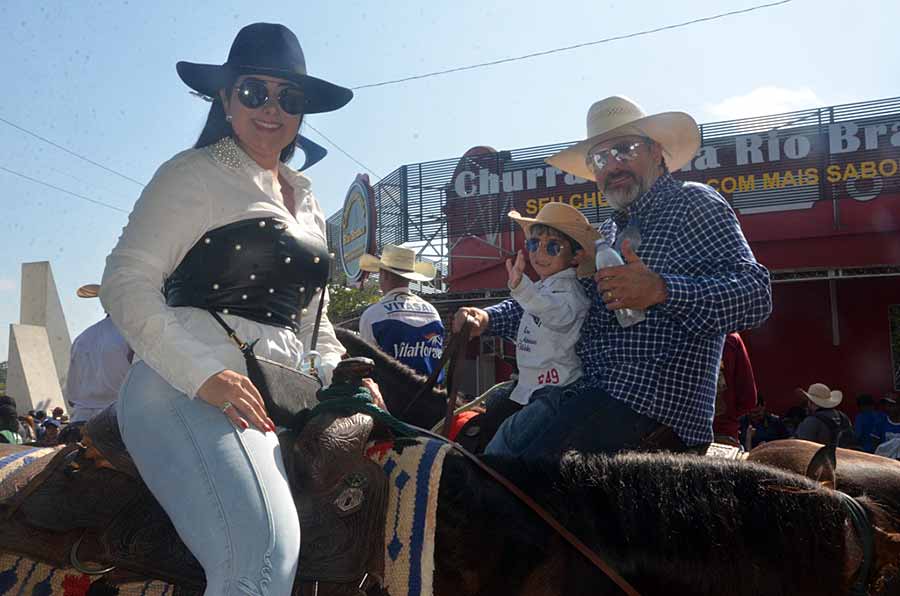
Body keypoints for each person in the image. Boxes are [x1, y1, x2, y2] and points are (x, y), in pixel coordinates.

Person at [99, 23, 359, 595]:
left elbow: (314, 323)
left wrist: (342, 380)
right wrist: (204, 375)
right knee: (262, 554)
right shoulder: (192, 173)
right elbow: (124, 281)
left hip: (276, 397)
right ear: (225, 98)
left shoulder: (308, 199)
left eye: (289, 97)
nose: (272, 108)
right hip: (182, 388)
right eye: (254, 91)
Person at [454, 96, 772, 458]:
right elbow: (558, 299)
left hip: (651, 407)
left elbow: (756, 296)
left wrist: (661, 290)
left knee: (507, 454)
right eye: (600, 158)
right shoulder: (605, 233)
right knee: (479, 435)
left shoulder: (695, 204)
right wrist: (487, 318)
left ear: (656, 151)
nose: (612, 165)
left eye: (624, 149)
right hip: (591, 393)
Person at [483, 203, 598, 456]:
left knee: (502, 445)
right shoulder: (542, 289)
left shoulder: (571, 292)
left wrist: (521, 287)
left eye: (553, 246)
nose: (540, 253)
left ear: (576, 256)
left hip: (556, 391)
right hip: (534, 388)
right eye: (534, 244)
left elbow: (556, 314)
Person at [357, 245, 444, 377]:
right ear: (410, 277)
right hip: (433, 389)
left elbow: (366, 364)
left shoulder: (373, 314)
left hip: (390, 390)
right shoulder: (433, 312)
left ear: (384, 275)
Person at [64, 283, 134, 423]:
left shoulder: (82, 338)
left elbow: (71, 398)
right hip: (117, 419)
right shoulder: (132, 335)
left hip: (81, 419)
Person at [794, 383, 856, 447]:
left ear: (811, 402)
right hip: (842, 453)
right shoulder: (843, 417)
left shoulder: (811, 421)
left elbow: (800, 447)